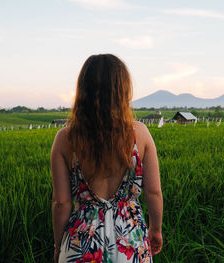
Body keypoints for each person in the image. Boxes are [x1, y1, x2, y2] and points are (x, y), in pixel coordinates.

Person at [51, 54, 163, 263]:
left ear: (83, 89)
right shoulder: (141, 134)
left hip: (81, 244)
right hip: (130, 241)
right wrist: (155, 230)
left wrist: (59, 245)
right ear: (123, 90)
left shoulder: (65, 139)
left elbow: (61, 202)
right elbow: (154, 192)